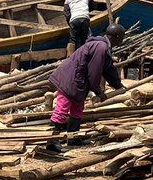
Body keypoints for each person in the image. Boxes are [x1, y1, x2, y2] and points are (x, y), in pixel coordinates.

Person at [46, 23, 125, 151]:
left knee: (77, 108)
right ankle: (52, 141)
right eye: (122, 36)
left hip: (78, 80)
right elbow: (93, 72)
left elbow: (108, 68)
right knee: (62, 109)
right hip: (70, 79)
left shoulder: (104, 47)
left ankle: (73, 138)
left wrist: (118, 84)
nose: (122, 39)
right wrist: (99, 92)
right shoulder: (101, 47)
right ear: (116, 37)